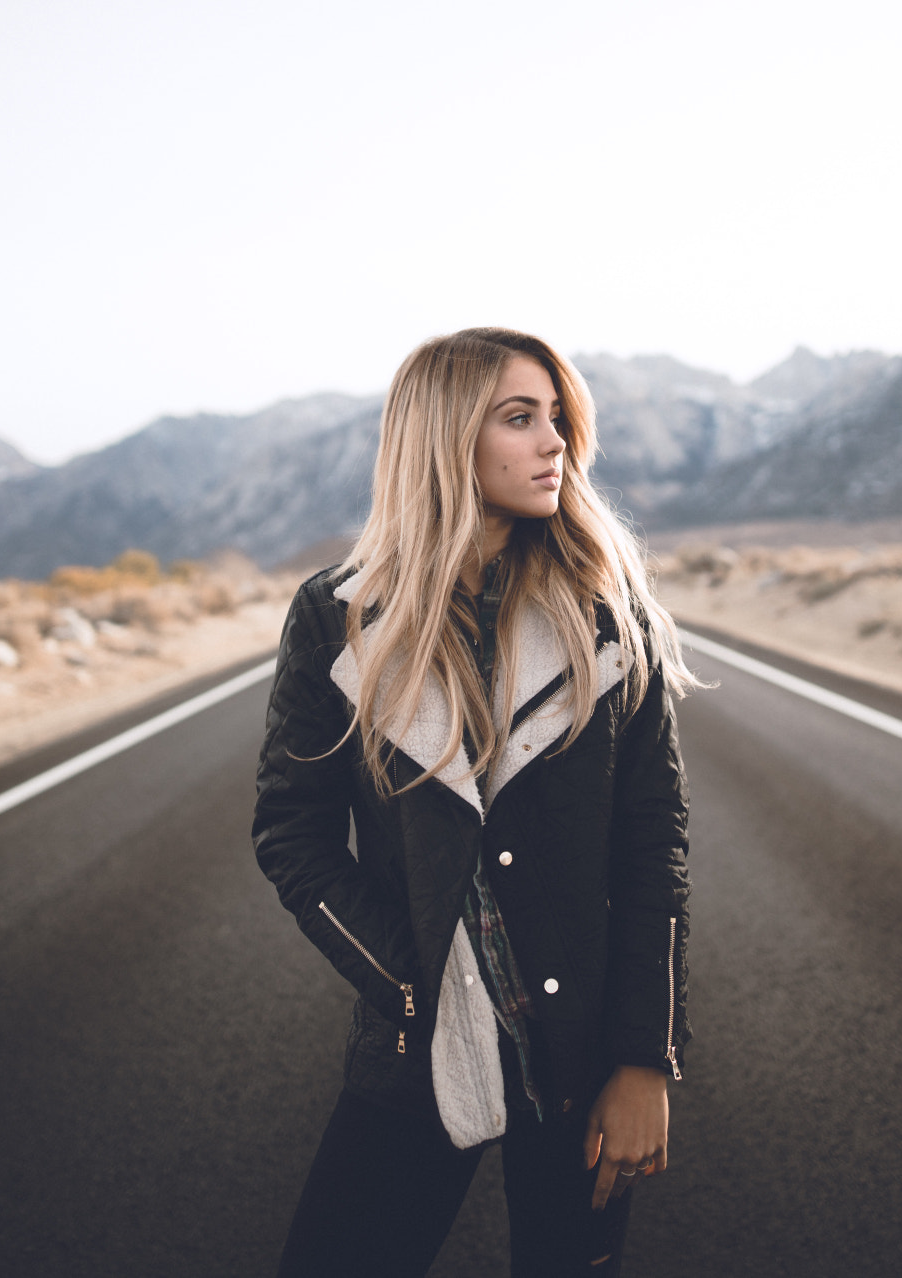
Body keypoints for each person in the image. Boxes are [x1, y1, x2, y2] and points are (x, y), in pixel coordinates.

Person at [253, 328, 700, 1277]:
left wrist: (644, 1058)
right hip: (417, 1053)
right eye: (519, 418)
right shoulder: (339, 618)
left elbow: (652, 844)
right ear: (447, 439)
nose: (556, 446)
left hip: (580, 1059)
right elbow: (292, 834)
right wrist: (407, 981)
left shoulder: (608, 616)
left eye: (558, 420)